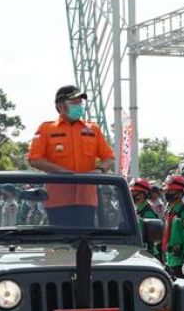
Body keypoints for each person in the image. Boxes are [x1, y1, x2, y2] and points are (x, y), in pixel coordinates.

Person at [26, 85, 115, 227]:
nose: (79, 106)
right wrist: (60, 171)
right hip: (57, 200)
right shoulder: (46, 129)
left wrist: (100, 170)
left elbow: (109, 157)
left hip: (86, 200)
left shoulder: (93, 129)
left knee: (85, 244)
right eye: (74, 103)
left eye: (80, 102)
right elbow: (34, 159)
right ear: (61, 106)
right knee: (59, 244)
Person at [160, 175, 184, 279]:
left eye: (171, 191)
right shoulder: (169, 210)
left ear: (180, 193)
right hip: (169, 257)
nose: (167, 194)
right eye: (166, 191)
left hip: (180, 260)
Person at [131, 179, 161, 256]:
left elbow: (150, 239)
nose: (132, 195)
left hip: (148, 254)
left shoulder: (147, 213)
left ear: (143, 194)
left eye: (134, 193)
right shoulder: (139, 210)